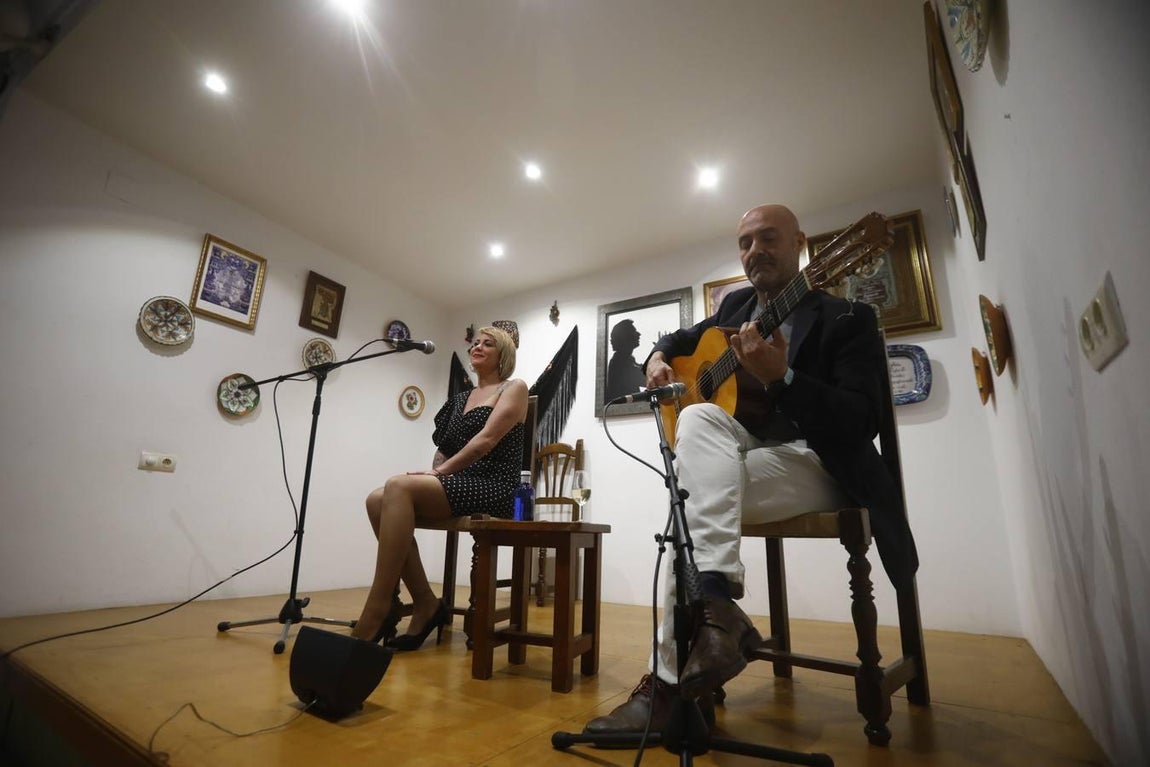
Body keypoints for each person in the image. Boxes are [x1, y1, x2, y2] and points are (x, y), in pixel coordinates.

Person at [583, 204, 918, 735]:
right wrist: (656, 358)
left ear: (801, 243)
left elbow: (862, 420)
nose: (754, 250)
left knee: (685, 515)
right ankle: (716, 611)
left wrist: (784, 379)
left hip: (820, 462)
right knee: (695, 419)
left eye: (768, 238)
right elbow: (678, 339)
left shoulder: (847, 318)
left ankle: (668, 690)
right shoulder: (736, 305)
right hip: (748, 457)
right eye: (744, 242)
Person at [350, 326, 529, 651]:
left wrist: (438, 474)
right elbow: (444, 449)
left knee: (397, 486)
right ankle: (425, 602)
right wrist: (437, 472)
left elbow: (485, 441)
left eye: (488, 344)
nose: (477, 346)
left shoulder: (513, 388)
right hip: (459, 482)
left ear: (503, 355)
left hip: (494, 485)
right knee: (377, 499)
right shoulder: (459, 399)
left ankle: (377, 608)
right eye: (476, 342)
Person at [605, 319, 646, 401]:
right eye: (634, 332)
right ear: (626, 337)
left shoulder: (625, 359)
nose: (639, 334)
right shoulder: (619, 362)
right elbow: (645, 379)